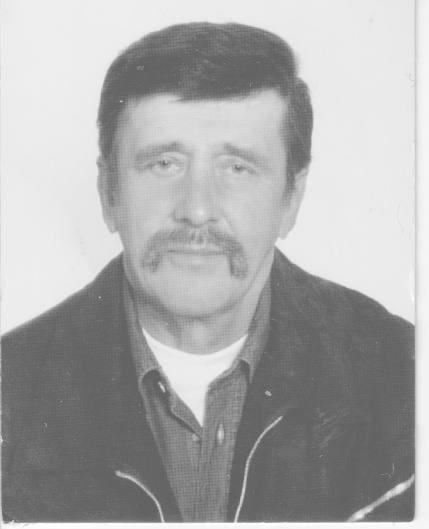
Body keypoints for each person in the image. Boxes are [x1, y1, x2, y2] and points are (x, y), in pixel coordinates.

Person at [1, 22, 414, 523]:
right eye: (164, 164)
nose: (197, 210)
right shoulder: (9, 392)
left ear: (291, 199)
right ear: (109, 194)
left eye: (237, 168)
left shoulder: (407, 378)